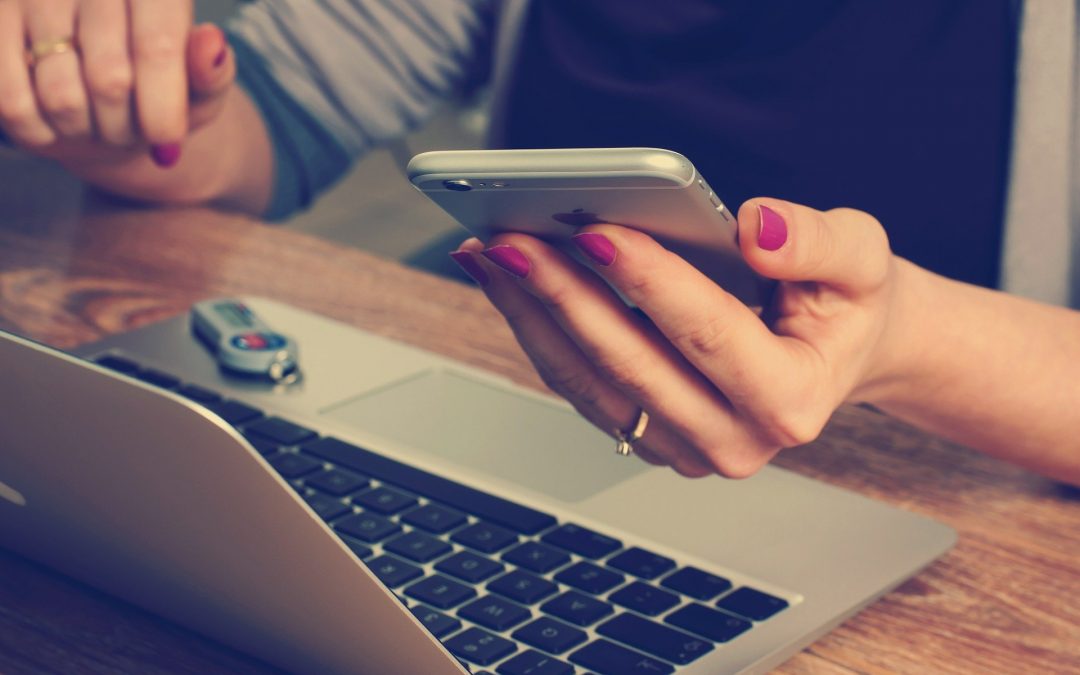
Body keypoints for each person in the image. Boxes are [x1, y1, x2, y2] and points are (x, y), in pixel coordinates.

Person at [0, 0, 1076, 485]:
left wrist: (903, 339)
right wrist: (124, 100)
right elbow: (274, 118)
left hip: (965, 529)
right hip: (524, 442)